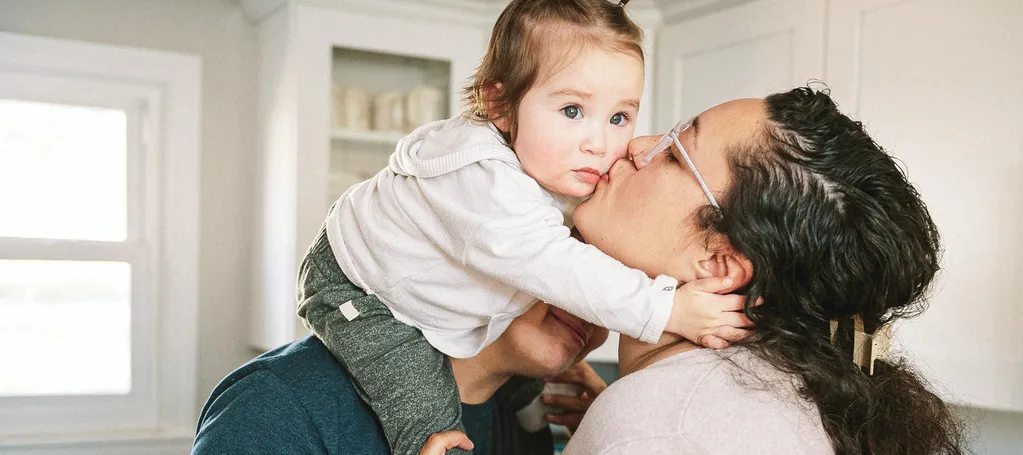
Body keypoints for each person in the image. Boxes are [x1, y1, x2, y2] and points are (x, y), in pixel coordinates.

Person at [296, 0, 749, 454]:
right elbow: (562, 267)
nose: (601, 143)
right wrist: (666, 310)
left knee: (520, 372)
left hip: (445, 305)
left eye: (619, 118)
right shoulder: (485, 183)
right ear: (500, 104)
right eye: (573, 110)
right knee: (416, 388)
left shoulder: (549, 164)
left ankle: (528, 411)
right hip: (354, 285)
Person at [562, 87, 966, 454]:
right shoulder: (719, 411)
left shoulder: (661, 431)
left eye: (673, 154)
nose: (637, 146)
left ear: (722, 262)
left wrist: (638, 431)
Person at [192, 301, 609, 455]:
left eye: (624, 291)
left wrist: (606, 444)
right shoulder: (276, 405)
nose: (596, 305)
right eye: (576, 265)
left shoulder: (528, 422)